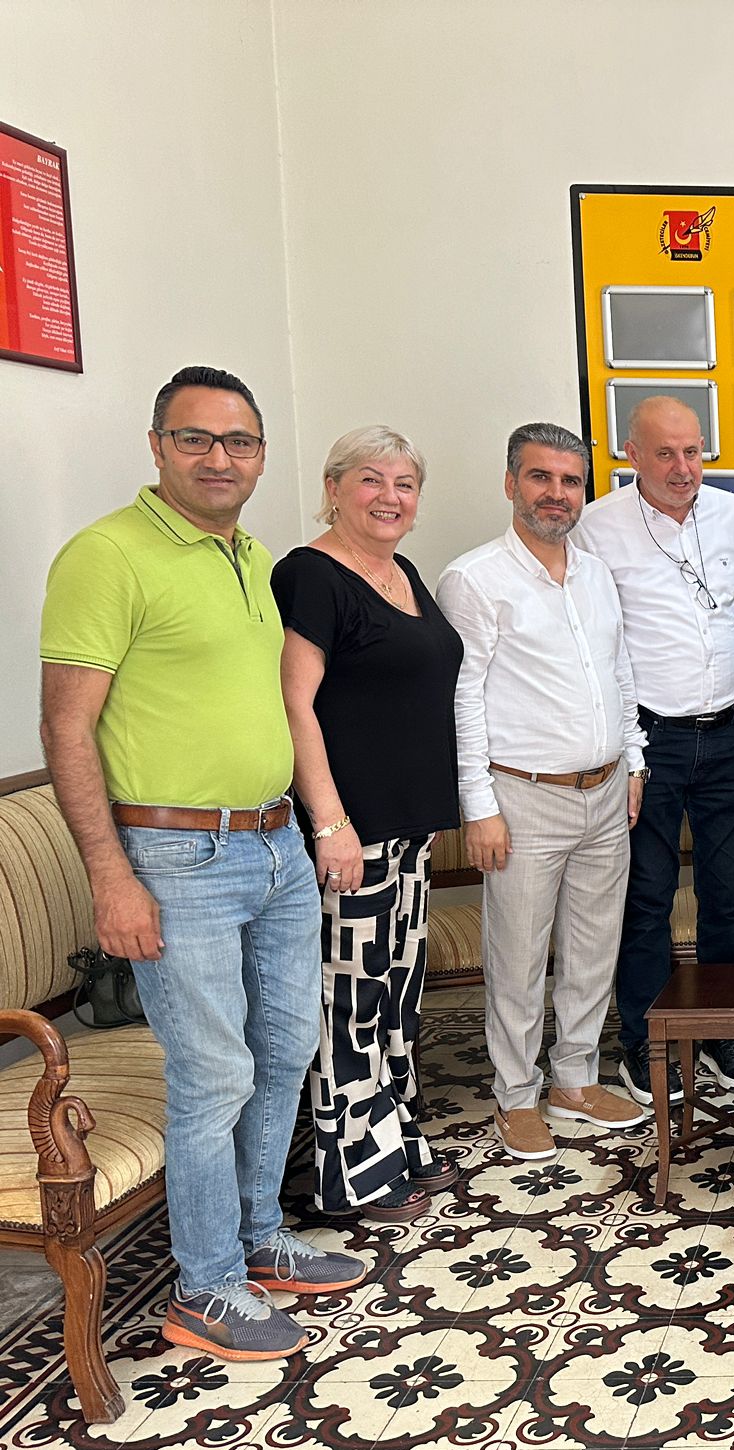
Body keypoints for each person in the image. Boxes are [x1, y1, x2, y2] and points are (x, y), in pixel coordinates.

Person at [40, 365, 365, 1363]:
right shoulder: (106, 555)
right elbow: (66, 728)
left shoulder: (251, 556)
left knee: (285, 1049)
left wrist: (311, 825)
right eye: (196, 438)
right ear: (157, 447)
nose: (219, 458)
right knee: (213, 1071)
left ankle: (259, 1237)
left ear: (262, 456)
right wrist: (111, 875)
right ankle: (208, 1286)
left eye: (240, 442)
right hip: (174, 854)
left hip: (272, 844)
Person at [437, 423, 649, 1163]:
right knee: (519, 955)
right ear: (511, 483)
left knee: (594, 946)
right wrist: (480, 808)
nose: (556, 493)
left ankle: (576, 1081)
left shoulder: (595, 573)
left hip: (606, 788)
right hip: (522, 797)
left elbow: (619, 672)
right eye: (540, 477)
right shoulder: (473, 580)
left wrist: (635, 760)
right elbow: (463, 699)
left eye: (569, 480)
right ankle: (516, 1095)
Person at [274, 426, 463, 1219]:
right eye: (371, 480)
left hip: (406, 830)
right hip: (350, 834)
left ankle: (396, 1137)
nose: (391, 497)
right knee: (347, 1002)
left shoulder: (401, 572)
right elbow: (293, 703)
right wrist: (329, 821)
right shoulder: (310, 574)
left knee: (394, 998)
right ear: (334, 488)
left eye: (405, 484)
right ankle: (351, 1170)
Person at [571, 396, 734, 1104]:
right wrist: (629, 753)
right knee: (646, 897)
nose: (683, 467)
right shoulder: (596, 526)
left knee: (730, 895)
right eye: (665, 453)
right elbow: (596, 645)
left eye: (693, 451)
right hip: (651, 739)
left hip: (733, 733)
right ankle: (647, 1042)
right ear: (632, 456)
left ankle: (722, 1032)